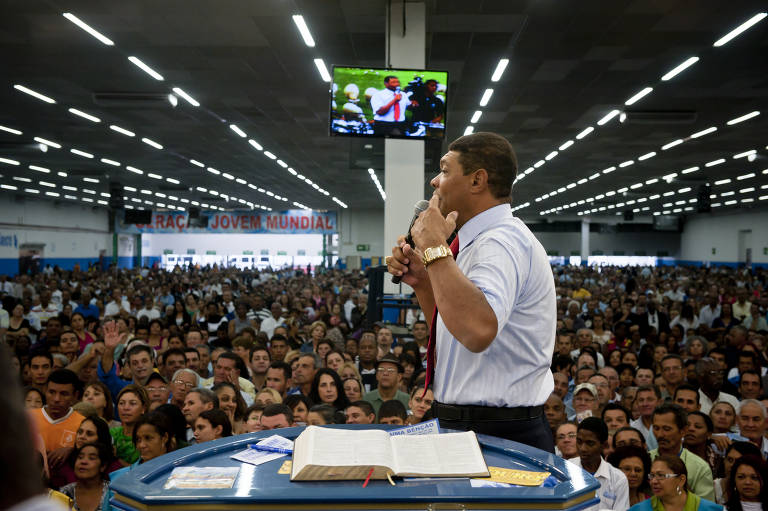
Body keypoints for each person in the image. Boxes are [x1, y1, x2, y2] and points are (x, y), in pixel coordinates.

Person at [386, 132, 555, 451]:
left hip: (498, 431)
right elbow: (456, 329)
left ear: (477, 180)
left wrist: (435, 248)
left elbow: (477, 331)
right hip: (466, 423)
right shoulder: (474, 242)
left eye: (446, 170)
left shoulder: (499, 243)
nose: (435, 182)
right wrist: (424, 279)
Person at [650, 403, 715, 501]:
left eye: (666, 429)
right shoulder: (645, 459)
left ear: (683, 431)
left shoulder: (699, 467)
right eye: (656, 428)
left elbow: (706, 507)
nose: (660, 434)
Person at [567, 417, 629, 511]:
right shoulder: (566, 469)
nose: (583, 448)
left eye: (590, 443)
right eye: (579, 442)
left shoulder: (618, 478)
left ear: (603, 445)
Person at [629, 455, 723, 511]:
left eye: (661, 476)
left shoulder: (711, 509)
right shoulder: (639, 509)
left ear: (681, 480)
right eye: (652, 476)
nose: (654, 481)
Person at [30, 368, 85, 454]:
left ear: (75, 395)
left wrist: (73, 451)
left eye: (64, 394)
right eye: (52, 392)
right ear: (45, 391)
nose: (56, 399)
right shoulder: (27, 418)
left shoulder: (83, 424)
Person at [58, 442, 111, 511]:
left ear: (103, 466)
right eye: (80, 457)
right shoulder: (64, 493)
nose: (83, 461)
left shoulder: (112, 492)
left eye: (91, 458)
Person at [111, 384, 149, 465]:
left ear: (143, 408)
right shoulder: (111, 433)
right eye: (121, 403)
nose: (126, 408)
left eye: (132, 403)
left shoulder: (148, 438)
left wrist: (115, 459)